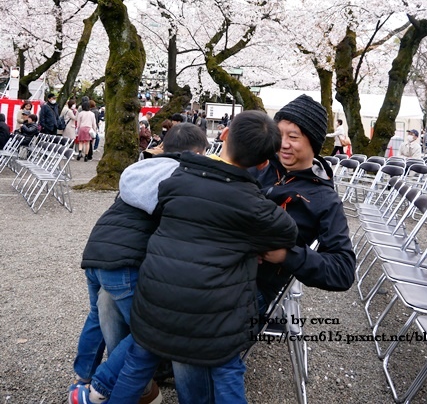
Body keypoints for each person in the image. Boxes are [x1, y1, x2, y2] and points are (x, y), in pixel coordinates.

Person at [70, 111, 298, 404]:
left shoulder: (180, 177)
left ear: (225, 135)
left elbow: (160, 201)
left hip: (156, 293)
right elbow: (287, 232)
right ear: (264, 163)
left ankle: (100, 389)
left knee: (137, 363)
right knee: (228, 370)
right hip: (210, 309)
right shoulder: (255, 205)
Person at [68, 124, 210, 404]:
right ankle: (103, 387)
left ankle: (81, 377)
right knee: (150, 330)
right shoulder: (181, 177)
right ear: (198, 152)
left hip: (96, 250)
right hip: (125, 262)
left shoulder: (141, 169)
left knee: (97, 316)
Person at [251, 94, 356, 308]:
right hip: (221, 261)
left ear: (313, 142)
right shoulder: (259, 165)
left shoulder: (325, 199)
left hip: (254, 288)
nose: (284, 144)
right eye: (279, 134)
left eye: (294, 137)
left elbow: (343, 271)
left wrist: (287, 255)